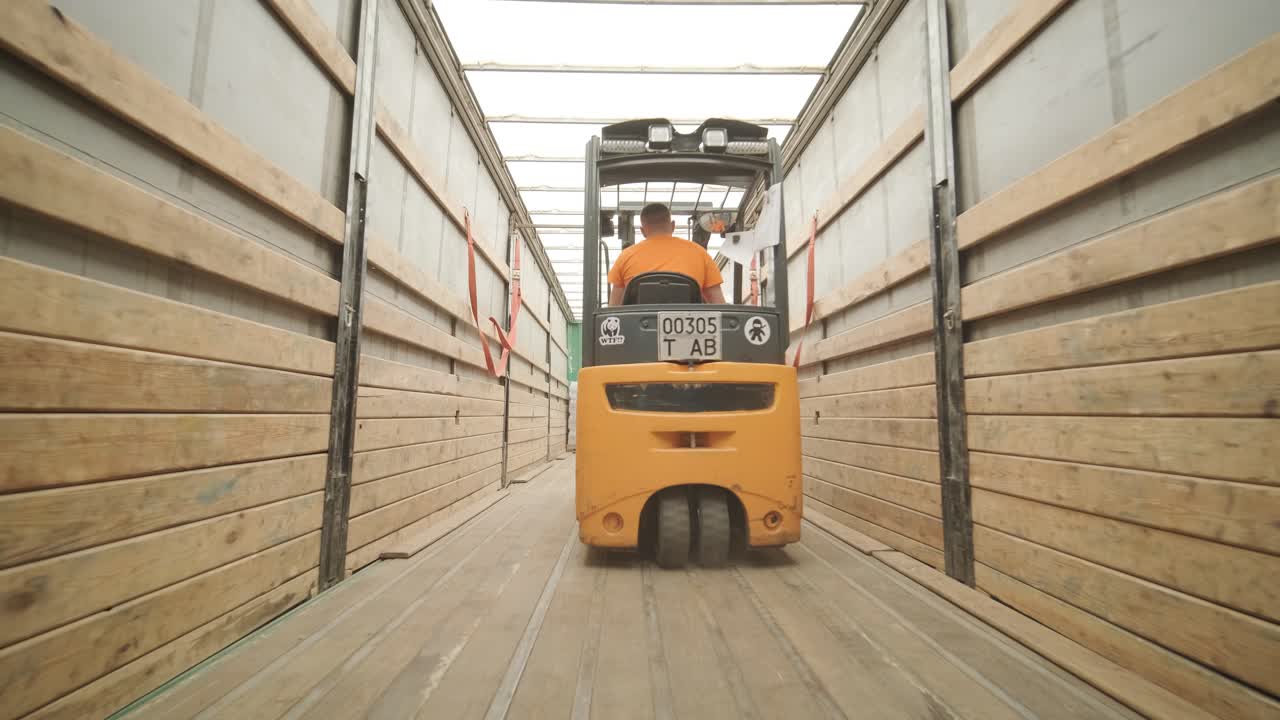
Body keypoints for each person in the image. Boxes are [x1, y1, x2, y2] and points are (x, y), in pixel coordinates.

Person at [606, 203, 727, 305]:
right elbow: (719, 304)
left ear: (642, 231)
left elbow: (613, 309)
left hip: (637, 330)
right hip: (689, 330)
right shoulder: (700, 253)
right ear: (673, 226)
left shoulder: (625, 257)